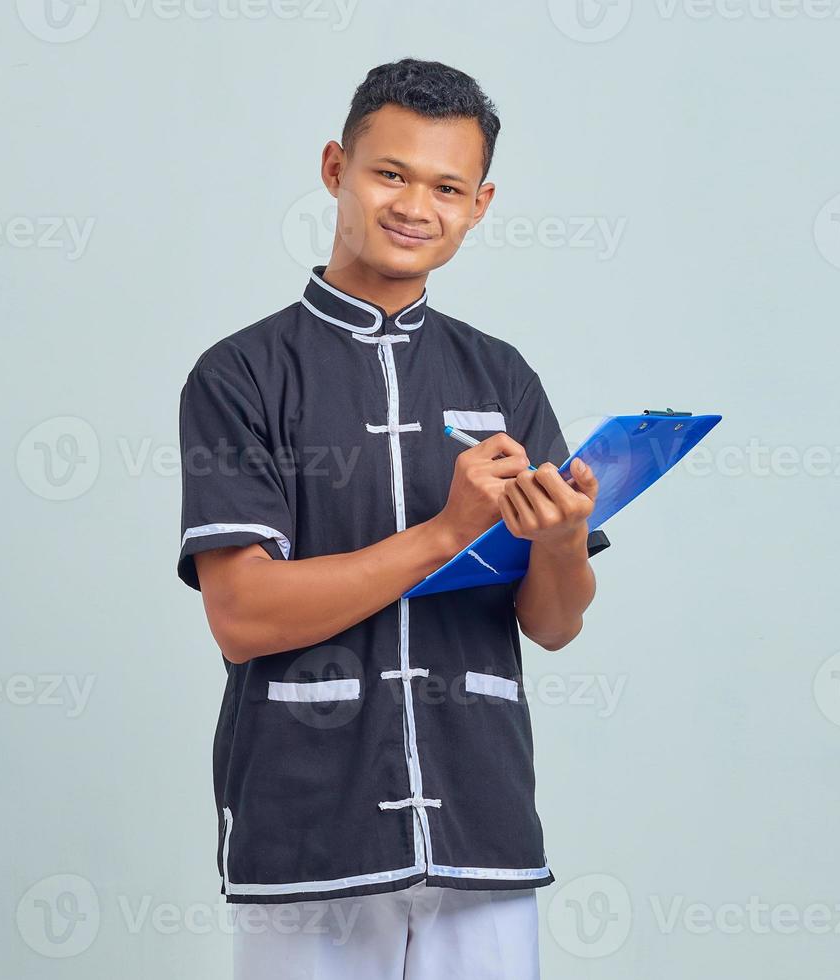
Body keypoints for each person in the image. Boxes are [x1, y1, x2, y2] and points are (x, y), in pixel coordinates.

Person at [176, 58, 611, 980]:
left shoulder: (503, 377)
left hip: (479, 816)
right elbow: (244, 614)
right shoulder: (240, 376)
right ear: (336, 168)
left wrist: (563, 535)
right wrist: (446, 532)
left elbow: (556, 623)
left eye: (447, 187)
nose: (417, 205)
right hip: (309, 824)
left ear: (480, 204)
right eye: (391, 173)